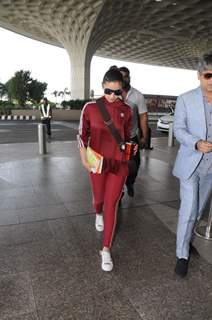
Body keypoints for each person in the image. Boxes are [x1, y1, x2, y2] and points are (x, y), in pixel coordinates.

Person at [78, 68, 133, 272]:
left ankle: (106, 249)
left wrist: (130, 151)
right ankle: (97, 212)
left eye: (117, 92)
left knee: (112, 205)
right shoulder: (91, 108)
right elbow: (82, 136)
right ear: (103, 86)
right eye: (109, 91)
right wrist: (84, 158)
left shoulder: (127, 110)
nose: (113, 96)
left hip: (118, 165)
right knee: (99, 200)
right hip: (97, 162)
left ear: (122, 90)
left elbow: (127, 137)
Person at [173, 53, 212, 278]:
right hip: (190, 164)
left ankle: (186, 240)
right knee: (188, 210)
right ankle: (181, 255)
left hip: (210, 168)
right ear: (199, 76)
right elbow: (178, 129)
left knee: (197, 211)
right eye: (208, 75)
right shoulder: (185, 99)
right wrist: (196, 143)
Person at [119, 67, 148, 197]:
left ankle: (130, 183)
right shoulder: (113, 94)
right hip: (116, 140)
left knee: (134, 166)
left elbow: (143, 117)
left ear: (129, 78)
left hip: (131, 138)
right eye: (121, 76)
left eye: (126, 76)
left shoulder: (137, 96)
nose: (124, 78)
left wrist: (144, 137)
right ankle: (119, 193)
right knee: (118, 166)